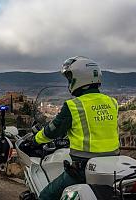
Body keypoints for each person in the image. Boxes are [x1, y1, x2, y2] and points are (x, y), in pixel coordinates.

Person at [33, 56, 120, 200]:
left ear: (79, 78)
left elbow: (53, 130)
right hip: (112, 166)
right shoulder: (112, 102)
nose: (69, 82)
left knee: (45, 196)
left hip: (83, 169)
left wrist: (36, 139)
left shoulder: (74, 106)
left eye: (69, 78)